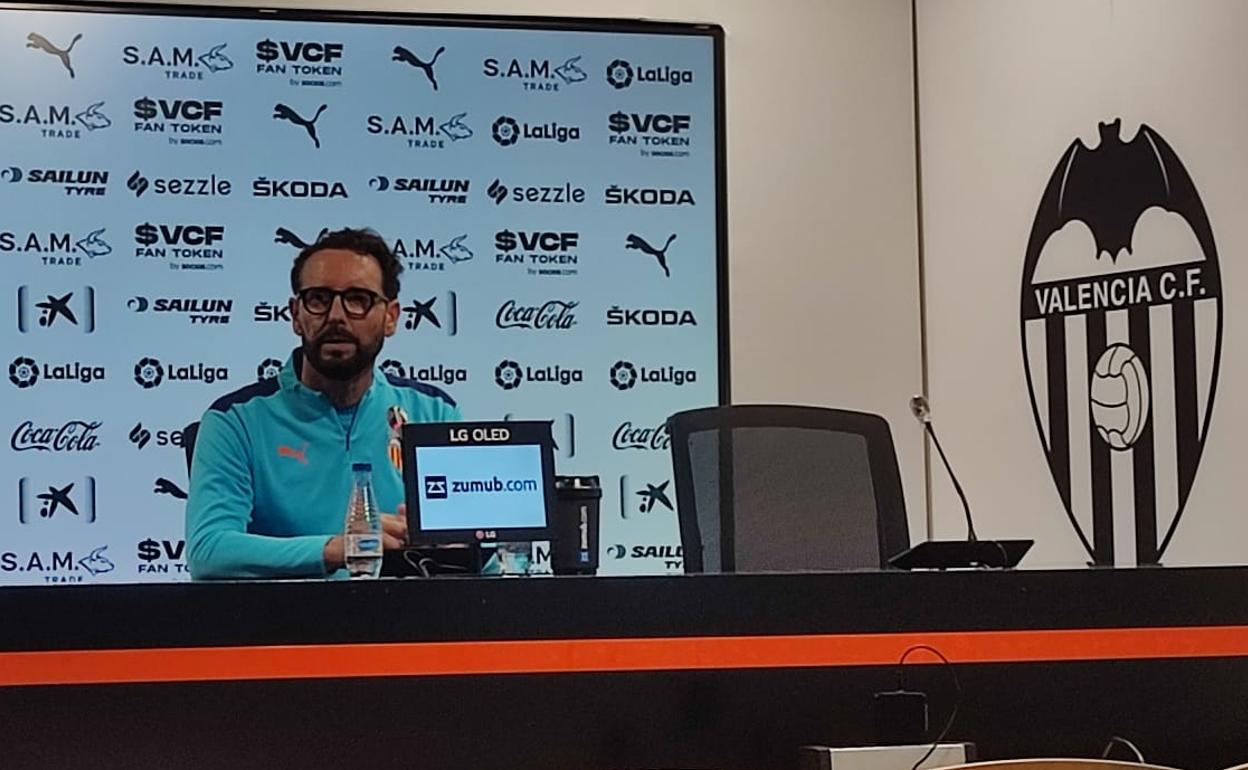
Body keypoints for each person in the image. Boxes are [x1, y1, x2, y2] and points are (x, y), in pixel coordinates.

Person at [186, 228, 462, 579]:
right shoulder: (234, 421)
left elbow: (478, 559)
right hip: (285, 628)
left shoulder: (434, 412)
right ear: (296, 314)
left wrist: (462, 544)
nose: (336, 315)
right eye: (318, 299)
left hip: (407, 624)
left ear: (391, 317)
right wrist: (338, 549)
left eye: (358, 299)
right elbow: (208, 551)